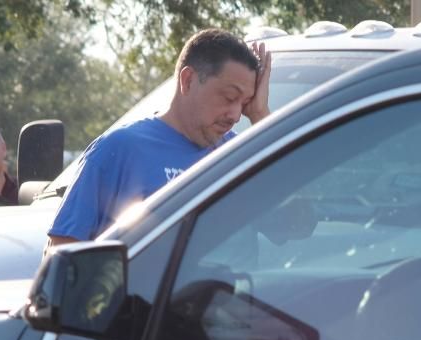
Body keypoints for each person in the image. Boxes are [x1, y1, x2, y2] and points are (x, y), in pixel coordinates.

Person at [47, 29, 272, 247]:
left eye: (244, 103)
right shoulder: (120, 149)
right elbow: (62, 250)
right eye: (229, 96)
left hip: (239, 286)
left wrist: (261, 116)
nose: (235, 114)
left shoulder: (241, 155)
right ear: (188, 80)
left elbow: (296, 226)